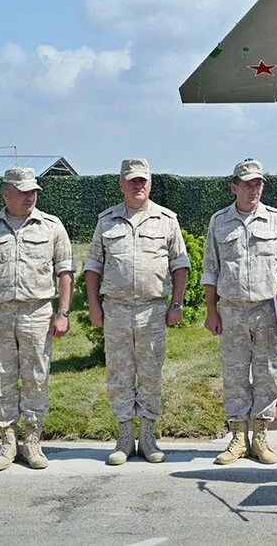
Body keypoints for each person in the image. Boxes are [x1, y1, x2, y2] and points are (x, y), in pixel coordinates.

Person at [0, 167, 74, 471]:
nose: (31, 196)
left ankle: (33, 439)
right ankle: (8, 440)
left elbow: (65, 272)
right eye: (24, 191)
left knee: (36, 377)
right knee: (1, 378)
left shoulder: (51, 226)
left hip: (36, 313)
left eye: (34, 191)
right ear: (6, 194)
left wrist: (62, 313)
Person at [84, 158, 190, 465]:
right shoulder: (106, 221)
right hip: (115, 310)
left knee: (150, 375)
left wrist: (177, 304)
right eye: (131, 180)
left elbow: (179, 265)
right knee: (119, 375)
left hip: (152, 311)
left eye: (142, 180)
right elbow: (93, 267)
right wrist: (93, 304)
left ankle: (147, 437)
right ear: (121, 184)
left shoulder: (167, 220)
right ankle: (122, 439)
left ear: (150, 183)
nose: (138, 185)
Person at [202, 159, 277, 465]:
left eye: (258, 183)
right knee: (234, 375)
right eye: (247, 184)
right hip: (231, 311)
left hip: (267, 311)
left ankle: (260, 437)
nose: (253, 189)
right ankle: (237, 439)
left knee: (267, 374)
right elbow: (210, 271)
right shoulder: (219, 222)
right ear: (234, 187)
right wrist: (211, 311)